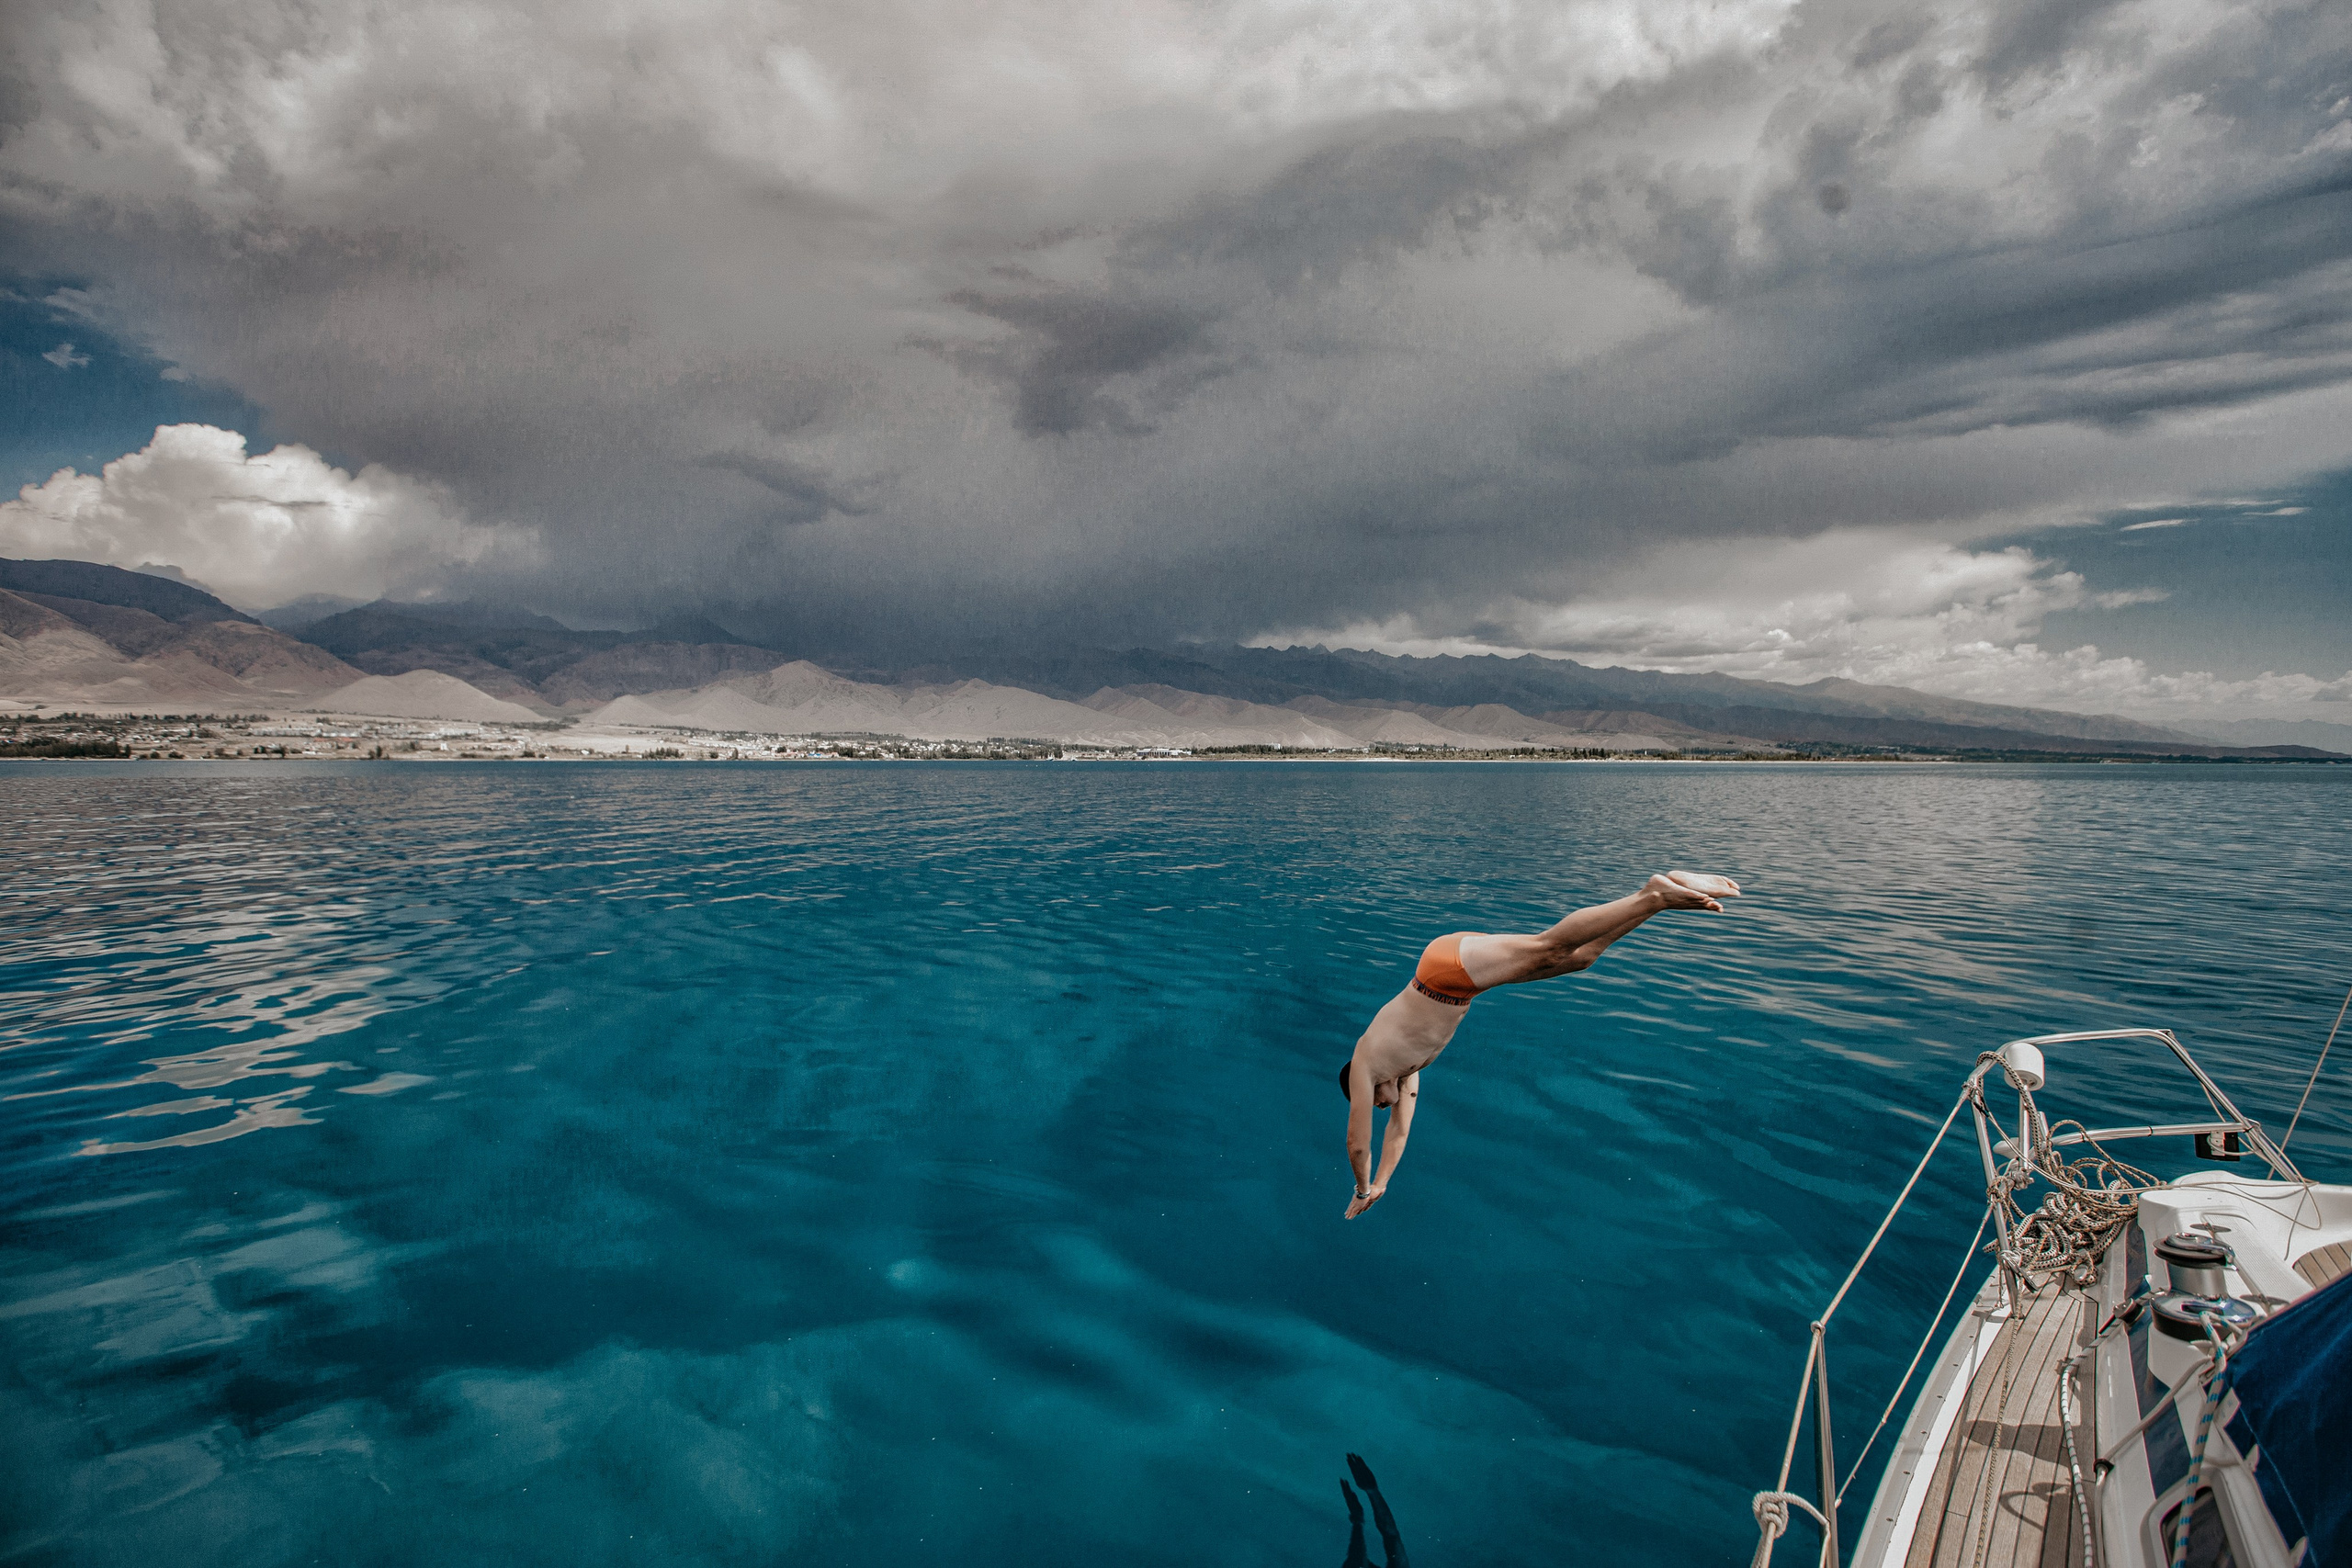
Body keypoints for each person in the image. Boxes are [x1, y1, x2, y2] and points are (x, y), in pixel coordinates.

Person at [1340, 871, 1741, 1218]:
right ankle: (1661, 899)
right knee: (1582, 958)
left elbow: (1358, 1144)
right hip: (1463, 980)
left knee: (1550, 947)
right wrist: (1380, 1185)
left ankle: (1651, 894)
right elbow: (1399, 1134)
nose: (1382, 1108)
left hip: (1444, 969)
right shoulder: (1408, 1073)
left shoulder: (1365, 1063)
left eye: (1375, 1105)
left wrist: (1359, 1190)